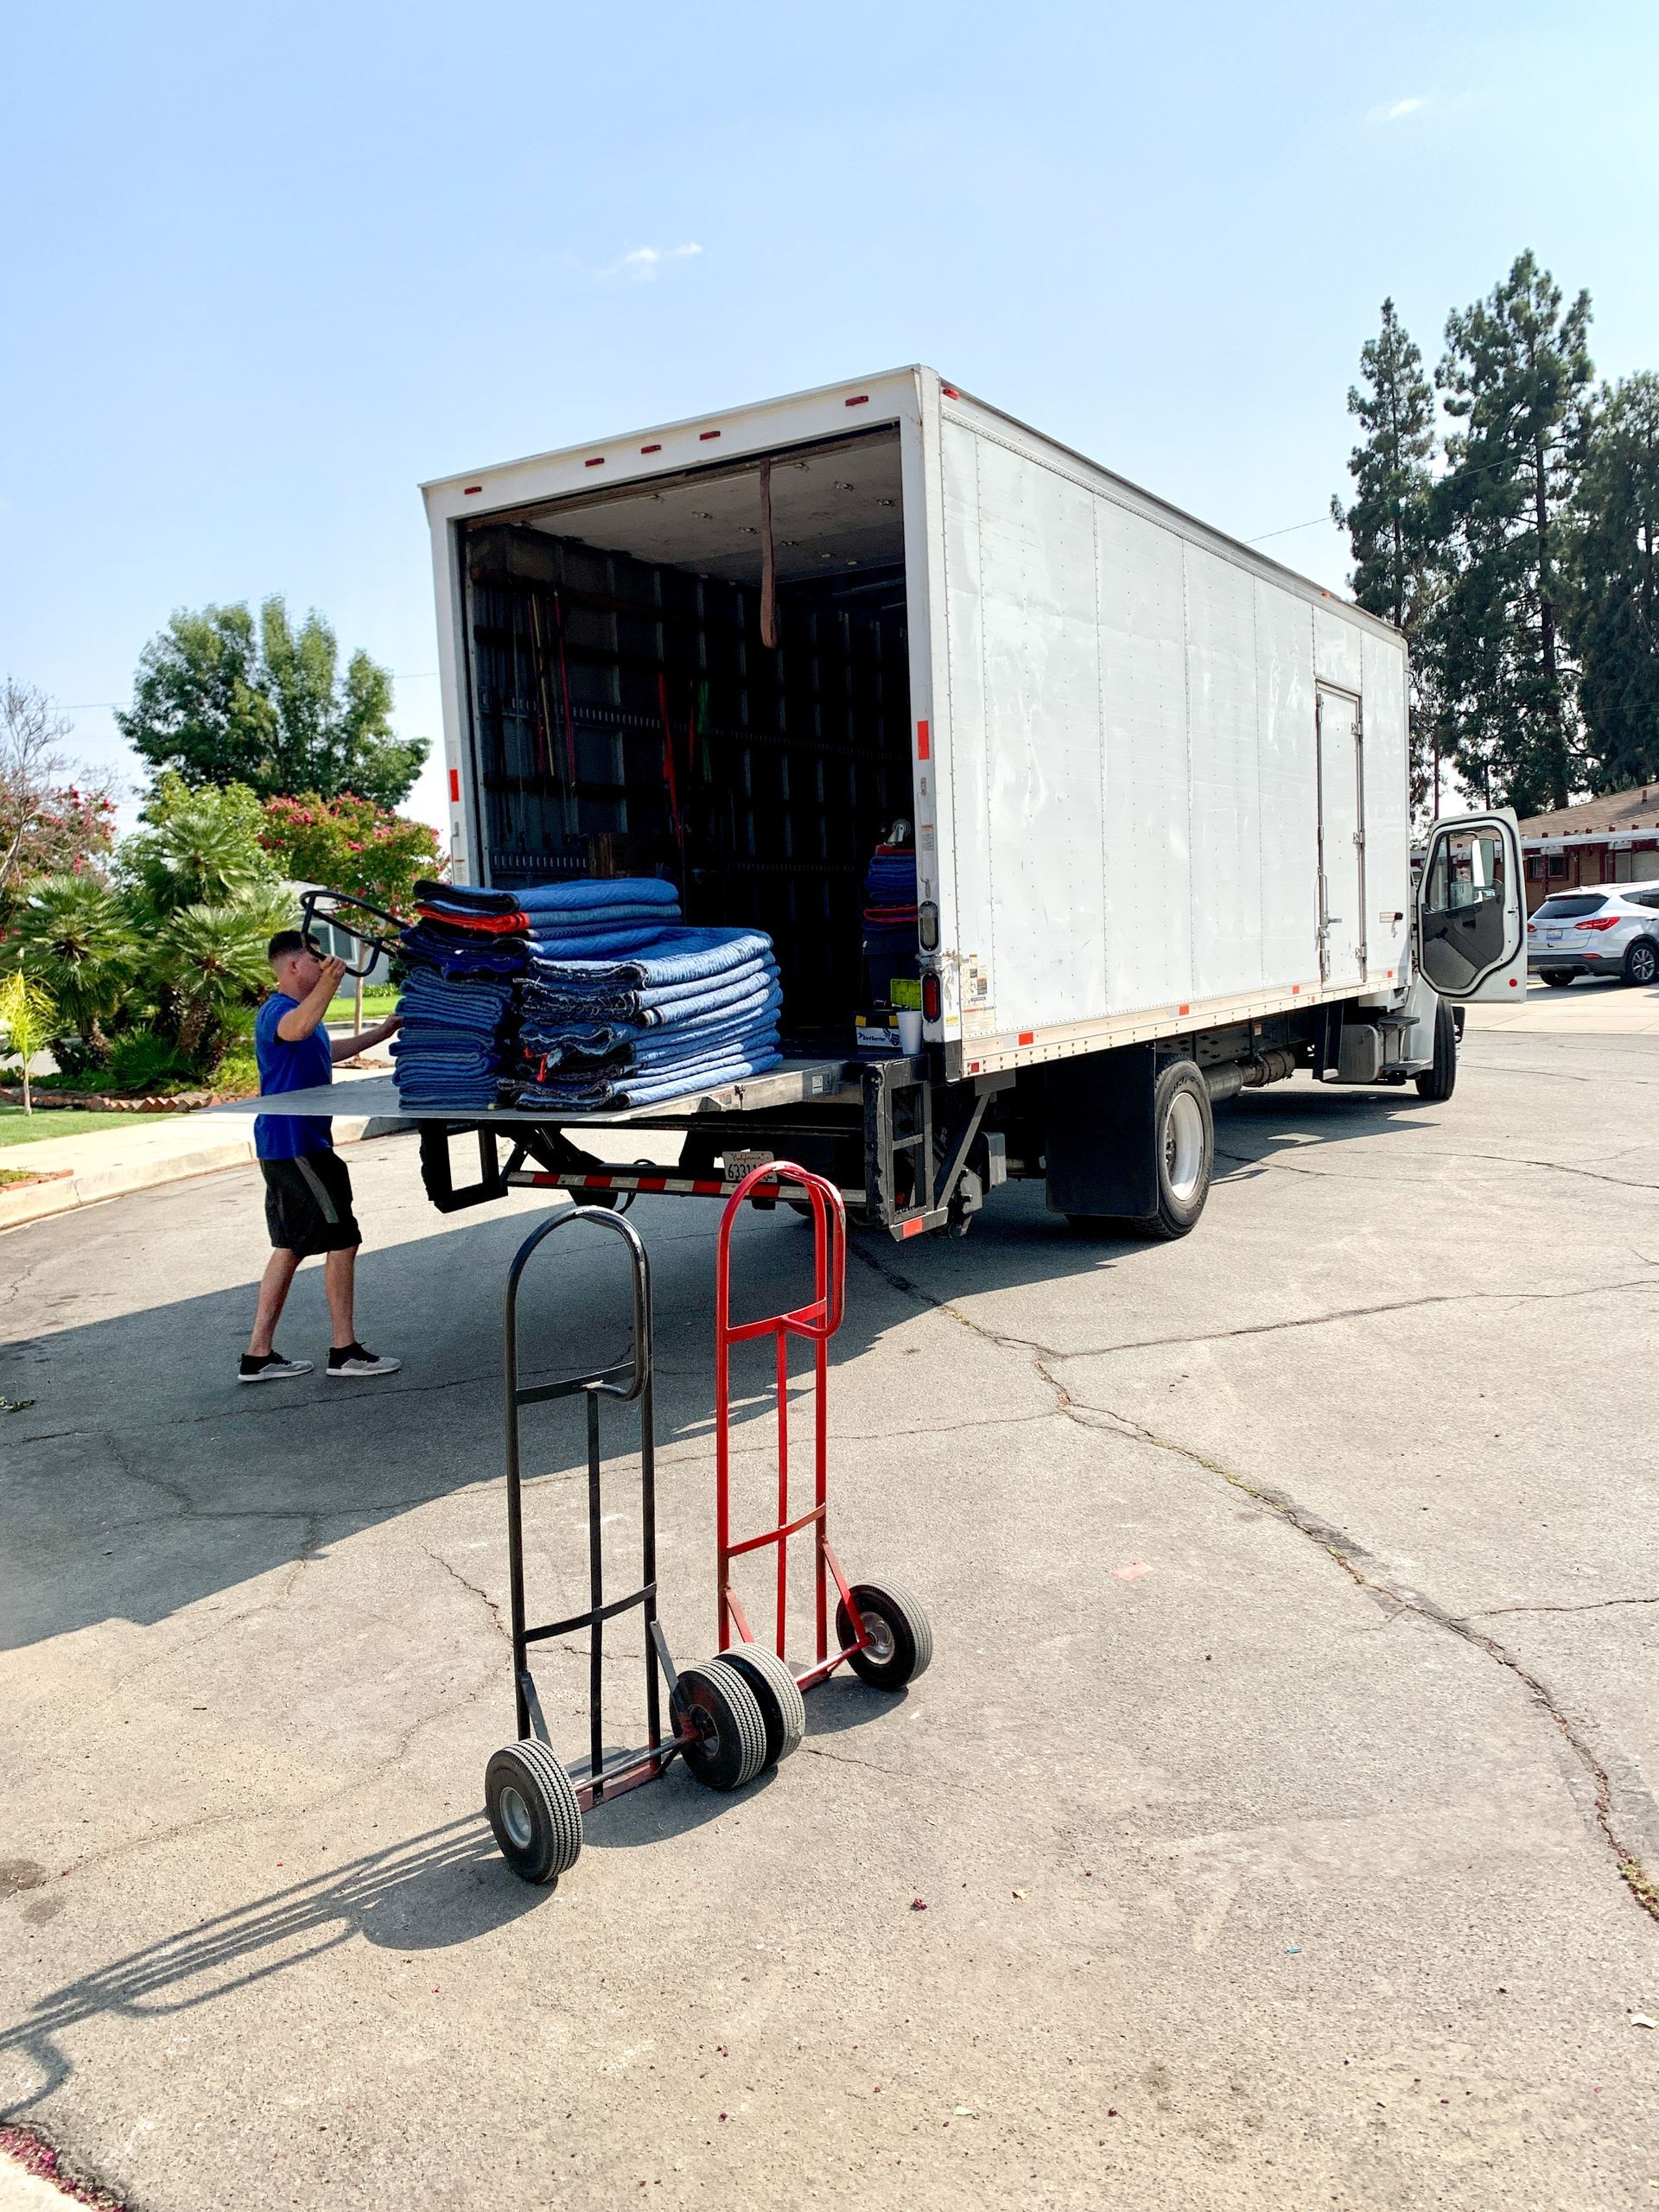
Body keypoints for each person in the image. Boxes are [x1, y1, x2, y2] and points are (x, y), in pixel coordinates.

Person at [241, 931, 404, 1384]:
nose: (326, 964)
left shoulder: (300, 1019)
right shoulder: (279, 1012)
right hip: (298, 1148)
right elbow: (299, 1030)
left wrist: (383, 1031)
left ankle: (257, 1355)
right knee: (342, 1239)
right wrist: (333, 983)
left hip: (294, 1146)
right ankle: (344, 1350)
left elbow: (324, 1050)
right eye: (317, 960)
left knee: (290, 1247)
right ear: (294, 966)